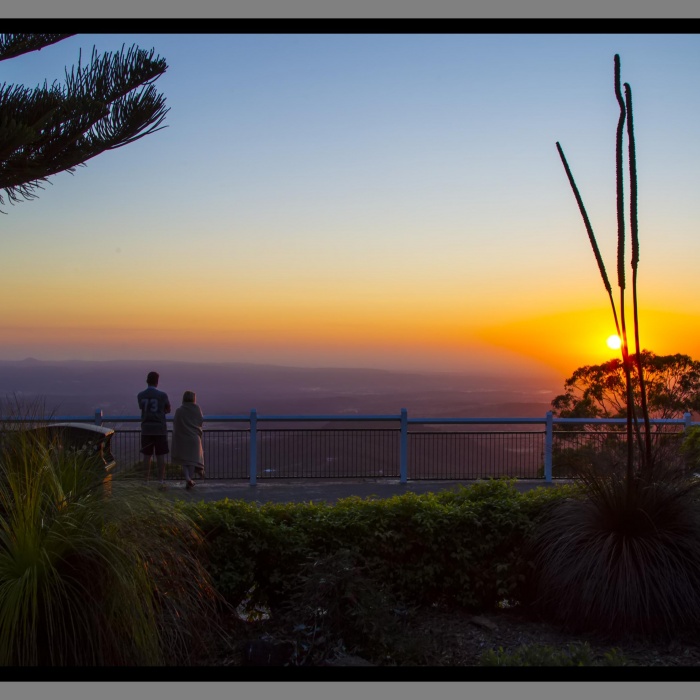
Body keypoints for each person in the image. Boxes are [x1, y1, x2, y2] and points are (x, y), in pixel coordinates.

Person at [137, 371, 171, 490]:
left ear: (147, 381)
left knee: (147, 455)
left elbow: (142, 408)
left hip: (146, 428)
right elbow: (168, 408)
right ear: (157, 381)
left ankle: (145, 481)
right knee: (160, 455)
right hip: (160, 428)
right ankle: (160, 481)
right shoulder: (163, 395)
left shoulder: (140, 395)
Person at [171, 390, 205, 490]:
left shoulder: (179, 410)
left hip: (182, 438)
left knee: (184, 461)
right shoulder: (197, 409)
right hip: (194, 439)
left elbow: (176, 423)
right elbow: (200, 421)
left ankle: (187, 479)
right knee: (192, 462)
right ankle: (189, 479)